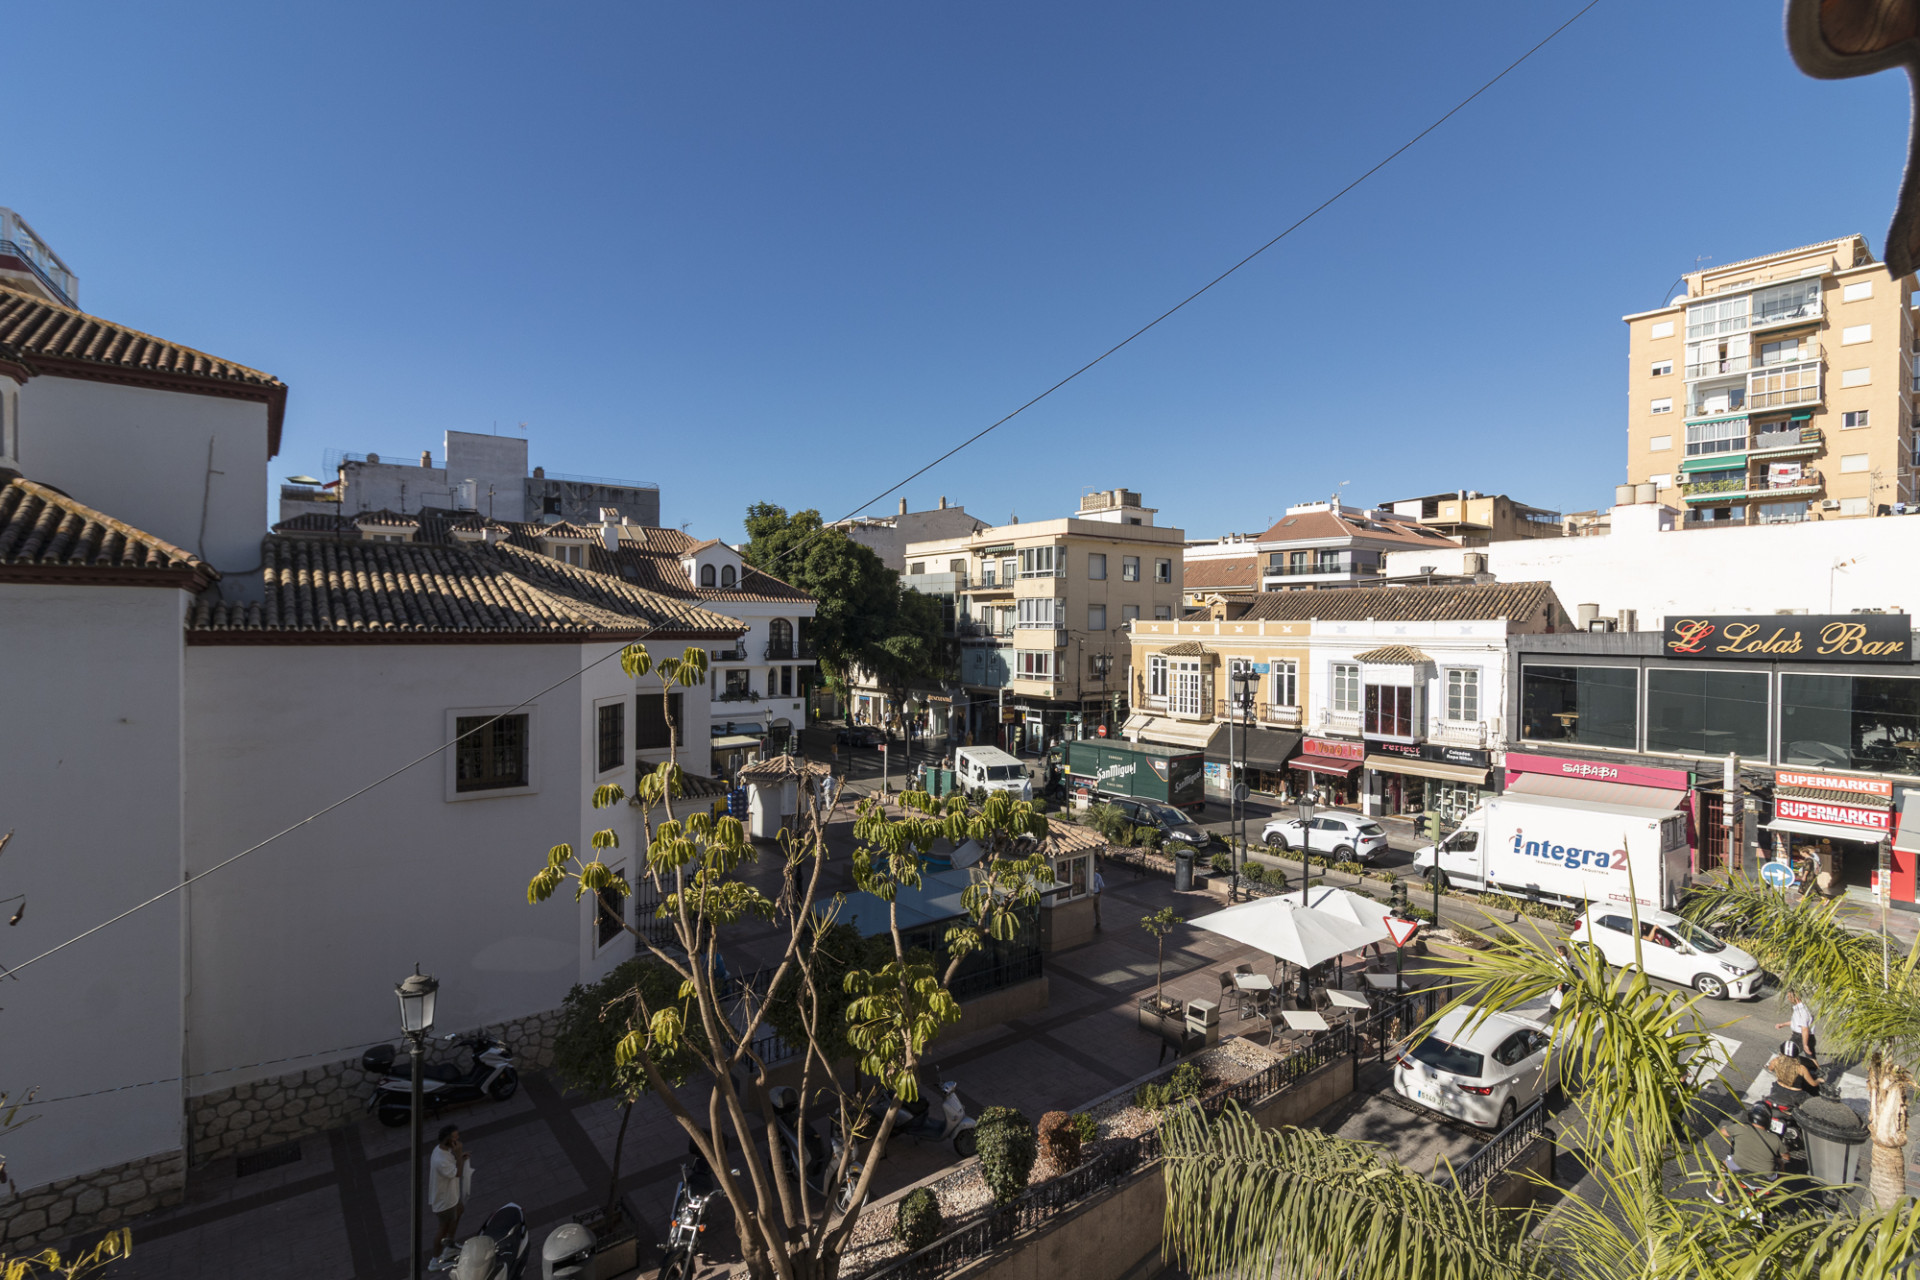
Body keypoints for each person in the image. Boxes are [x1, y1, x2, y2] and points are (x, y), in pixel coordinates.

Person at [1715, 1112, 1786, 1202]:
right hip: (1766, 1177)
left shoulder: (1741, 1128)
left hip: (1739, 1169)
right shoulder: (1775, 1139)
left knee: (1723, 1166)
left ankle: (1719, 1193)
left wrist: (1724, 1127)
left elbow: (1723, 1132)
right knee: (1781, 1165)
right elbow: (1786, 1157)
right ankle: (1777, 1186)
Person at [428, 1124, 472, 1268]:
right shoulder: (439, 1160)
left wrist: (460, 1158)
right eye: (455, 1137)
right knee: (443, 1227)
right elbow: (457, 1174)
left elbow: (452, 1166)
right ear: (448, 1140)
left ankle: (450, 1245)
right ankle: (435, 1260)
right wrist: (459, 1155)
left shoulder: (442, 1150)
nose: (458, 1139)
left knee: (459, 1211)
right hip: (444, 1201)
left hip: (451, 1197)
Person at [1775, 992, 1816, 1058]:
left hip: (1800, 1037)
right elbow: (1796, 1022)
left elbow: (1804, 1029)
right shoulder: (1798, 1008)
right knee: (1811, 1058)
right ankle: (1816, 1067)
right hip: (1801, 1036)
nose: (1788, 999)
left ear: (1795, 998)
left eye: (1789, 997)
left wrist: (1805, 1044)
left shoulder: (1802, 1012)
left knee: (1787, 1055)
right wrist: (1783, 1024)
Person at [1550, 944, 1573, 1012]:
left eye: (1557, 951)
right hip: (1561, 981)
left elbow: (1563, 973)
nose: (1556, 952)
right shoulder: (1562, 959)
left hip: (1562, 982)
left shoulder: (1563, 961)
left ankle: (1555, 1010)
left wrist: (1560, 984)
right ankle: (1555, 1009)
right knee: (1559, 996)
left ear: (1561, 952)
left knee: (1558, 996)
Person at [1091, 862, 1105, 932]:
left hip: (1096, 894)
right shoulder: (1088, 875)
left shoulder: (1098, 876)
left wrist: (1099, 895)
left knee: (1097, 909)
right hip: (1090, 895)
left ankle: (1098, 922)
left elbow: (1101, 886)